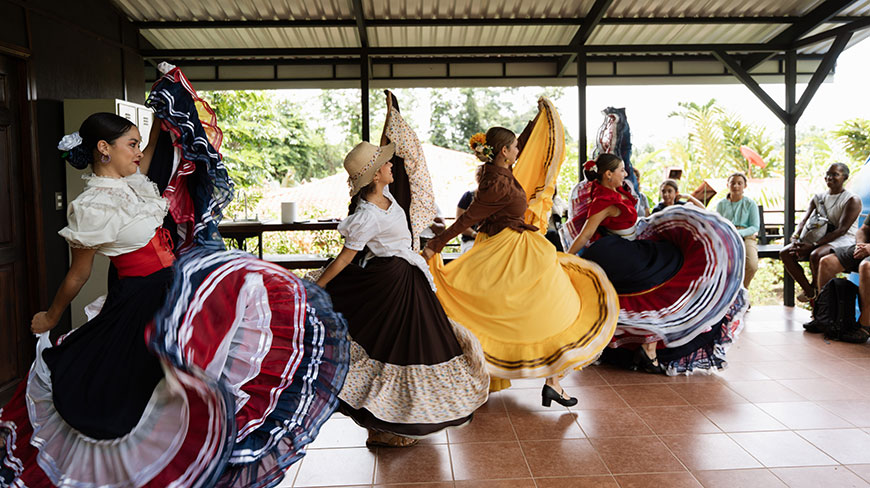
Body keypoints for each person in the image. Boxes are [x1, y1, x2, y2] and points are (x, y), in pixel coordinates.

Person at [0, 77, 348, 487]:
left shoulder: (137, 183)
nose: (137, 151)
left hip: (175, 286)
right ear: (103, 149)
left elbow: (153, 146)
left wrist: (168, 97)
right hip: (139, 300)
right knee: (143, 400)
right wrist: (51, 315)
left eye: (136, 144)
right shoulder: (92, 205)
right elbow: (79, 273)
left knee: (206, 372)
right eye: (129, 144)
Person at [423, 106, 619, 405]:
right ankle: (535, 380)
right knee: (546, 313)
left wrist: (535, 122)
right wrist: (437, 243)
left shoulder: (500, 170)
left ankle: (549, 381)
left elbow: (524, 144)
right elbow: (467, 220)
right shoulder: (495, 183)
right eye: (514, 147)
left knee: (548, 310)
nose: (519, 150)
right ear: (503, 151)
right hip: (509, 253)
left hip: (518, 248)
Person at [316, 141, 489, 448]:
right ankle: (385, 426)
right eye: (384, 164)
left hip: (408, 279)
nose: (390, 166)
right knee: (397, 354)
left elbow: (409, 165)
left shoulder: (389, 196)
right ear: (373, 175)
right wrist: (318, 287)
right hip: (390, 285)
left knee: (419, 350)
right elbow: (344, 258)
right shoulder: (366, 215)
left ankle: (399, 424)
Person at [566, 153, 747, 375]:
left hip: (630, 247)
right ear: (608, 174)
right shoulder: (603, 200)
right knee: (667, 275)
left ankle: (647, 347)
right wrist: (567, 258)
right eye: (621, 170)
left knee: (669, 275)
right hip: (620, 252)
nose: (625, 174)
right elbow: (586, 235)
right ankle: (647, 347)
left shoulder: (616, 192)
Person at [781, 163, 860, 302]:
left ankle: (820, 298)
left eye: (835, 174)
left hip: (844, 239)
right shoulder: (818, 197)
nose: (830, 177)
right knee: (786, 253)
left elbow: (842, 230)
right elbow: (804, 221)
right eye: (828, 174)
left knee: (816, 254)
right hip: (821, 238)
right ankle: (810, 291)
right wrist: (795, 238)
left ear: (845, 177)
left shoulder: (852, 199)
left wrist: (813, 245)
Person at [813, 216, 870, 342]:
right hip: (865, 248)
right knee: (826, 262)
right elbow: (863, 229)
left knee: (866, 267)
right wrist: (860, 244)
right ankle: (826, 316)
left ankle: (865, 324)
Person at [716, 172, 760, 289]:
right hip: (727, 237)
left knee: (752, 265)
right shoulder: (721, 204)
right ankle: (728, 294)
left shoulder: (750, 204)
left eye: (739, 183)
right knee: (722, 265)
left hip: (746, 237)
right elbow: (718, 223)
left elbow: (755, 227)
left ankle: (741, 292)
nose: (736, 186)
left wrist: (739, 233)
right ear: (728, 185)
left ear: (745, 186)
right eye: (733, 183)